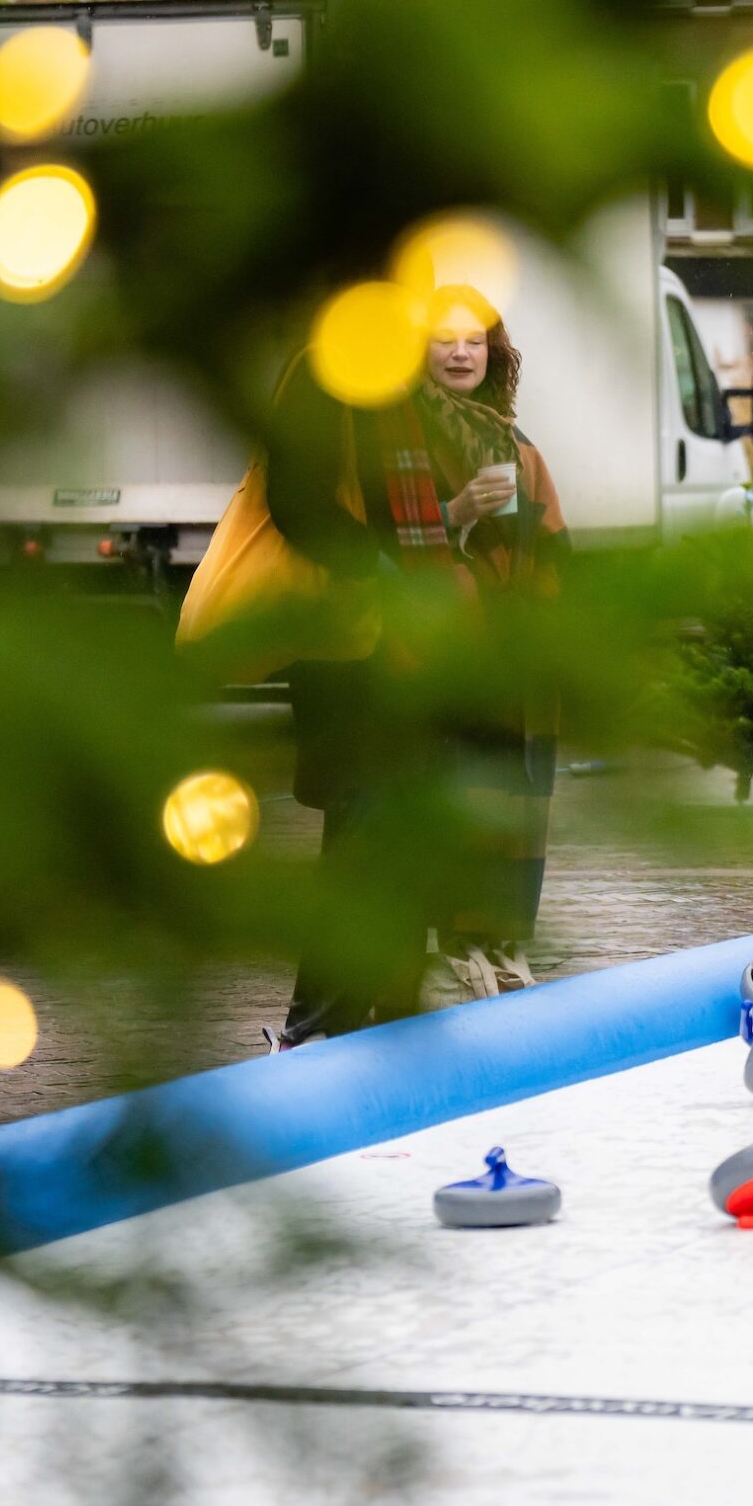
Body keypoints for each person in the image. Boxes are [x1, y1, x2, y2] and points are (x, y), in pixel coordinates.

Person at [263, 285, 570, 1046]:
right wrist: (451, 517)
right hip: (370, 666)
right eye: (442, 336)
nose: (457, 350)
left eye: (474, 339)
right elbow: (308, 509)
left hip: (442, 674)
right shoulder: (344, 389)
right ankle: (315, 1035)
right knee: (365, 854)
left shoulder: (499, 437)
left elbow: (537, 561)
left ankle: (386, 1034)